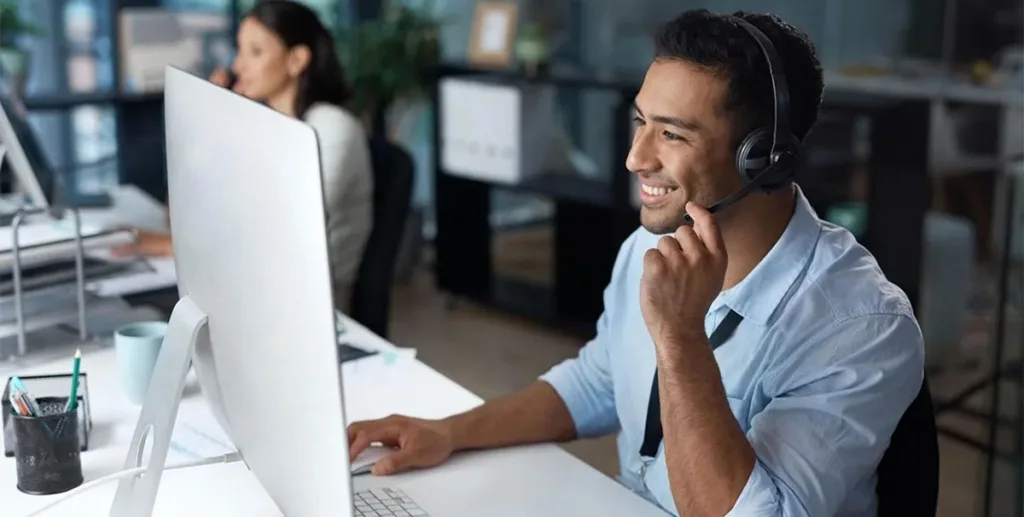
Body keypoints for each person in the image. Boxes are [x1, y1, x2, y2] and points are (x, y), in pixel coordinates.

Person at [346, 10, 924, 517]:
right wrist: (448, 434)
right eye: (640, 122)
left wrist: (679, 337)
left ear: (763, 158)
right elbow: (600, 380)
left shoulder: (861, 325)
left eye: (671, 134)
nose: (634, 158)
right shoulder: (649, 248)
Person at [114, 0, 373, 312]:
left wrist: (175, 247)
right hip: (252, 285)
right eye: (239, 51)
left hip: (310, 304)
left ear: (296, 59)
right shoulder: (262, 129)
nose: (238, 66)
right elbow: (178, 219)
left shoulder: (332, 127)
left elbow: (283, 235)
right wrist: (206, 129)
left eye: (256, 52)